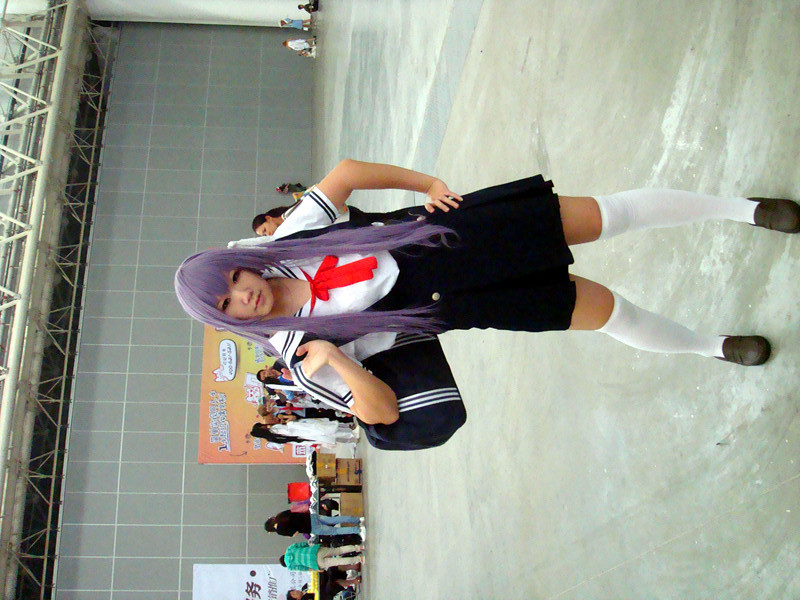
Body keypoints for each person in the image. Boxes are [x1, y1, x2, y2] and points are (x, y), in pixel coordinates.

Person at [175, 159, 798, 442]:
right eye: (227, 306)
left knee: (610, 215)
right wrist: (335, 358)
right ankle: (711, 346)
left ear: (235, 263)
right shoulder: (300, 354)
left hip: (460, 232)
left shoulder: (289, 240)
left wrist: (428, 183)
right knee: (610, 313)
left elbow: (344, 175)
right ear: (226, 321)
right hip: (467, 301)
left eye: (231, 280)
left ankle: (744, 210)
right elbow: (381, 413)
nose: (243, 295)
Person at [265, 509, 361, 537]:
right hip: (310, 517)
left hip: (310, 527)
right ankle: (358, 520)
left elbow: (294, 533)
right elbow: (293, 511)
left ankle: (357, 530)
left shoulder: (280, 530)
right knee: (334, 520)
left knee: (335, 531)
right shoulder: (280, 515)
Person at [280, 542, 364, 571]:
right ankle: (358, 548)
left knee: (338, 562)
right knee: (338, 550)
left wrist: (316, 569)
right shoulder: (289, 549)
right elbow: (303, 544)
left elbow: (305, 568)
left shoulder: (290, 566)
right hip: (315, 551)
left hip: (315, 563)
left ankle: (359, 559)